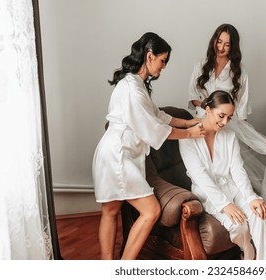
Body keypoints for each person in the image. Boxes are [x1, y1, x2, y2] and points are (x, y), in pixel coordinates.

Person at [92, 32, 205, 260]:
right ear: (150, 55)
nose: (163, 68)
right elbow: (153, 129)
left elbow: (159, 116)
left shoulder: (136, 83)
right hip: (118, 156)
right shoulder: (133, 89)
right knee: (150, 210)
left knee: (111, 211)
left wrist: (188, 121)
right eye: (163, 61)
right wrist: (190, 133)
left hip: (113, 152)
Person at [179, 90, 266, 260]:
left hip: (232, 187)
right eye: (221, 115)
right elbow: (200, 177)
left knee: (259, 213)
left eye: (229, 118)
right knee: (240, 228)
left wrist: (251, 197)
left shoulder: (230, 137)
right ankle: (248, 250)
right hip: (208, 193)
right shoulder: (187, 138)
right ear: (208, 110)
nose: (225, 122)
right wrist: (224, 205)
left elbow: (238, 171)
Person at [188, 23, 251, 120]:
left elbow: (243, 105)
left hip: (228, 121)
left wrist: (244, 130)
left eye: (227, 45)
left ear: (233, 47)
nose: (221, 48)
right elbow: (193, 96)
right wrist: (204, 105)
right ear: (214, 41)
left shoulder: (240, 71)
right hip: (203, 118)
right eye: (219, 42)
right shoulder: (200, 66)